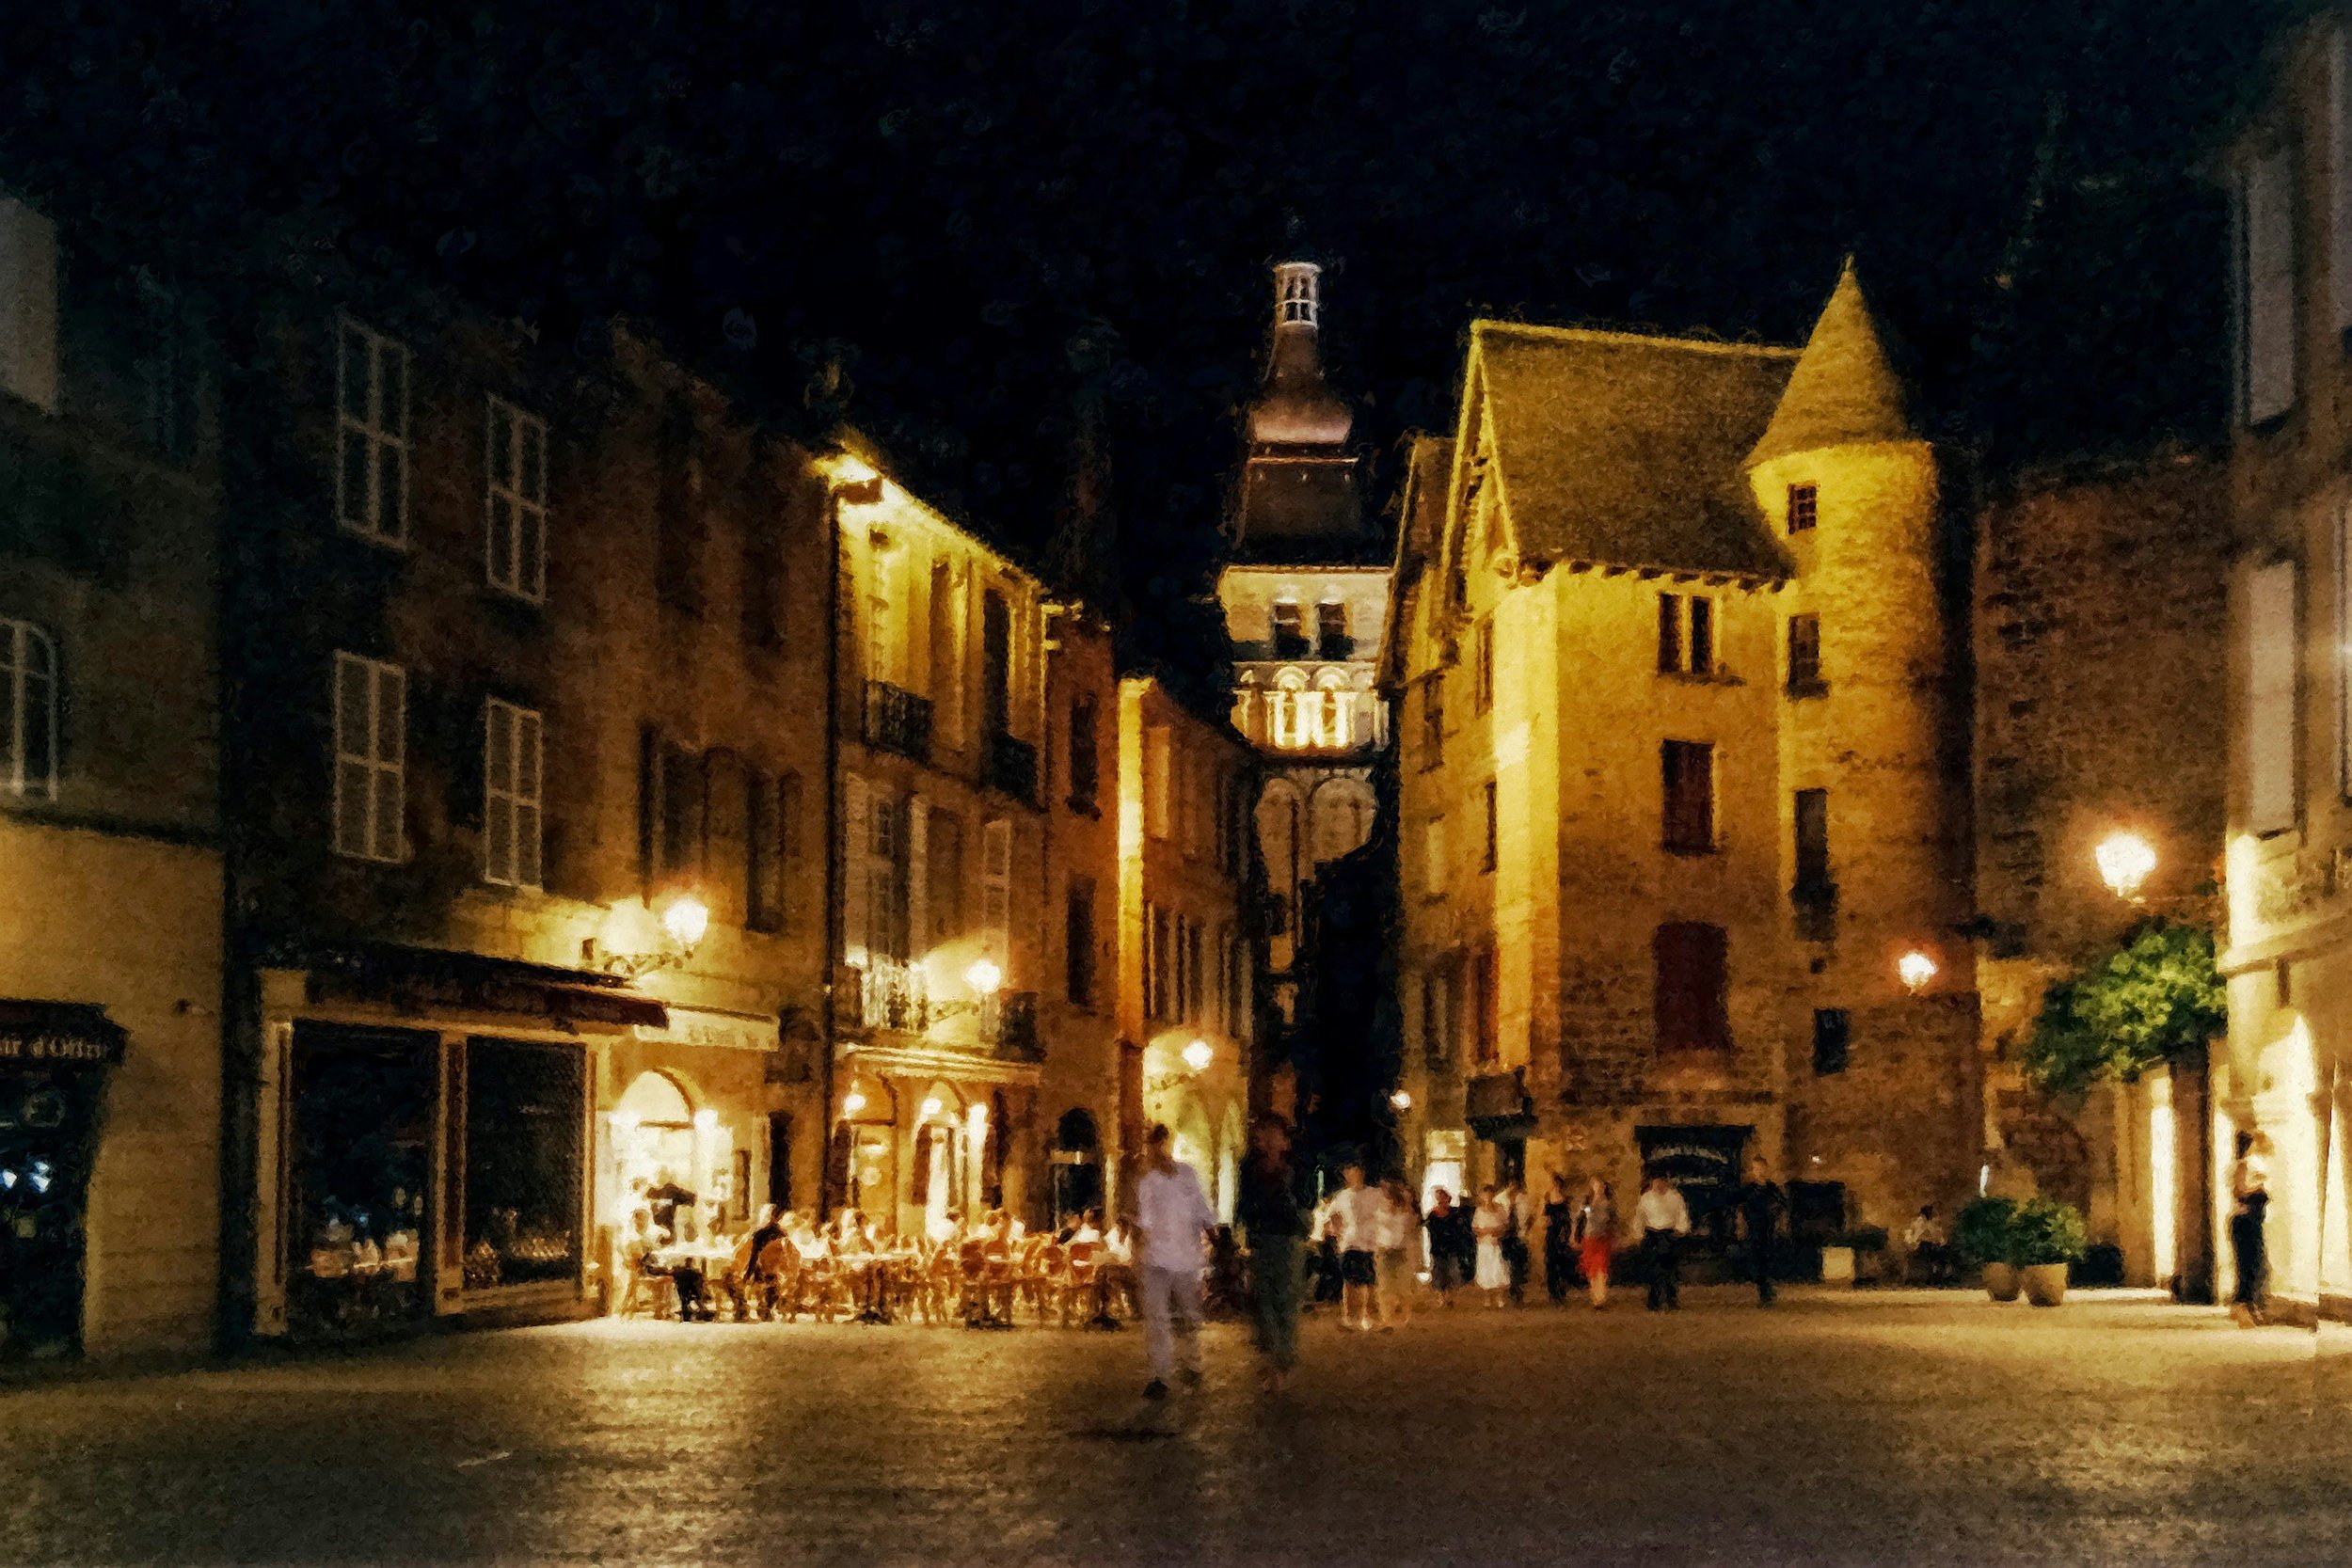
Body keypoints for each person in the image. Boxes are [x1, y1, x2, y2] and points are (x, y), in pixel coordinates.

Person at [1133, 1122, 1217, 1401]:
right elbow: (1144, 1223)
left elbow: (1203, 1210)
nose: (1159, 1151)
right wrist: (1139, 1256)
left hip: (1186, 1258)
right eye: (1154, 1145)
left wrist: (1214, 1235)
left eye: (1162, 1144)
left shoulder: (1188, 1176)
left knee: (1189, 1316)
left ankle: (1192, 1361)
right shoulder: (1147, 1183)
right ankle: (1160, 1374)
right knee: (1157, 1318)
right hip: (1157, 1258)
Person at [1235, 1113, 1308, 1388]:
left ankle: (1284, 1360)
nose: (1267, 1139)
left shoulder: (1294, 1167)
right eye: (1262, 1134)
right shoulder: (1249, 1167)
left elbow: (1306, 1198)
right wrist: (1243, 1233)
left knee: (1286, 1300)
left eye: (1272, 1133)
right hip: (1261, 1239)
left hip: (1288, 1239)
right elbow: (1243, 1202)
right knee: (1263, 1301)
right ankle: (1271, 1358)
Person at [1326, 1162, 1386, 1331]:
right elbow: (1332, 1215)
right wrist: (1338, 1233)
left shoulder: (1373, 1194)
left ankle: (1371, 1316)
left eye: (1355, 1172)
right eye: (1349, 1173)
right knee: (1350, 1282)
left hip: (1368, 1244)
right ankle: (1349, 1316)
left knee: (1369, 1282)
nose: (1353, 1176)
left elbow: (1386, 1210)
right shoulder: (1342, 1196)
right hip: (1350, 1243)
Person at [2229, 1130, 2272, 1326]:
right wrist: (2259, 1188)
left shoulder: (2246, 1164)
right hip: (2246, 1220)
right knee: (2250, 1265)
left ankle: (2248, 1307)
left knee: (2255, 1265)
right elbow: (2240, 1191)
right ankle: (2242, 1307)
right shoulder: (2245, 1165)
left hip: (2250, 1220)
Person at [1634, 1174, 1692, 1312]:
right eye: (1655, 1181)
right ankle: (1654, 1300)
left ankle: (1671, 1299)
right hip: (1652, 1235)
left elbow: (1681, 1213)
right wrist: (1638, 1233)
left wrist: (1681, 1230)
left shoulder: (1674, 1197)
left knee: (1670, 1270)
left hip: (1669, 1234)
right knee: (1653, 1271)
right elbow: (1639, 1217)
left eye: (1661, 1181)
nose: (1658, 1185)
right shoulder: (1646, 1198)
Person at [1737, 1159, 1786, 1307]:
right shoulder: (1748, 1189)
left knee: (1768, 1259)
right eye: (1756, 1168)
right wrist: (1740, 1226)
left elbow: (1782, 1206)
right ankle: (1763, 1288)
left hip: (1769, 1229)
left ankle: (1766, 1290)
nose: (1759, 1171)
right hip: (1753, 1228)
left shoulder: (1772, 1189)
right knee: (1755, 1260)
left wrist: (1781, 1223)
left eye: (1761, 1168)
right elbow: (1740, 1208)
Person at [1375, 1178, 1418, 1329]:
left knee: (1402, 1286)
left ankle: (1405, 1317)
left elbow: (1411, 1230)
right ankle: (1386, 1317)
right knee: (1385, 1285)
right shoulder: (1379, 1213)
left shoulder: (1404, 1214)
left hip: (1400, 1250)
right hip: (1384, 1250)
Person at [1574, 1178, 1617, 1310]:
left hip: (1603, 1238)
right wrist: (1576, 1236)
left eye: (1600, 1185)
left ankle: (1601, 1296)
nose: (1598, 1188)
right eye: (1595, 1185)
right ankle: (1595, 1296)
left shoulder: (1609, 1204)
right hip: (1589, 1237)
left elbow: (1613, 1221)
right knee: (1591, 1268)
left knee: (1601, 1267)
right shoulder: (1587, 1203)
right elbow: (1580, 1219)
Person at [1423, 1188, 1470, 1307]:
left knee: (1452, 1273)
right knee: (1439, 1273)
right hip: (1438, 1248)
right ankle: (1441, 1297)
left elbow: (1460, 1230)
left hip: (1452, 1247)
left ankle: (1450, 1297)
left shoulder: (1455, 1214)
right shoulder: (1433, 1215)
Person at [1541, 1174, 1578, 1306]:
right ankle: (1553, 1291)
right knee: (1551, 1263)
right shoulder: (1548, 1201)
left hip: (1562, 1235)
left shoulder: (1565, 1201)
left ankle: (1561, 1291)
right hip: (1552, 1235)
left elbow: (1570, 1219)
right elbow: (1545, 1220)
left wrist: (1571, 1234)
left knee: (1562, 1263)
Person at [1472, 1185, 1511, 1307]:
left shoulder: (1500, 1209)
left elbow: (1505, 1225)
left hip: (1496, 1244)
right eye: (1485, 1194)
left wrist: (1497, 1231)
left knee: (1498, 1269)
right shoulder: (1479, 1210)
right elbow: (1476, 1228)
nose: (1488, 1197)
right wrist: (1484, 1232)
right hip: (1484, 1244)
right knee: (1485, 1270)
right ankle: (1487, 1298)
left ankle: (1499, 1297)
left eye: (1490, 1194)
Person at [1501, 1176, 1534, 1307]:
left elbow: (1530, 1217)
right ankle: (1509, 1290)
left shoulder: (1523, 1200)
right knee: (1506, 1265)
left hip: (1520, 1235)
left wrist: (1526, 1231)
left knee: (1519, 1265)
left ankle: (1517, 1292)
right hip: (1505, 1236)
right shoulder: (1500, 1199)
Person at [1901, 1204, 1949, 1285]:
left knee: (1942, 1250)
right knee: (1928, 1248)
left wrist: (1940, 1241)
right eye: (1929, 1212)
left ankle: (1940, 1275)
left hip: (1928, 1245)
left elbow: (1936, 1235)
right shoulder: (1920, 1222)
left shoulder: (1930, 1223)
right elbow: (1918, 1237)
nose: (1931, 1214)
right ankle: (1934, 1277)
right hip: (1918, 1246)